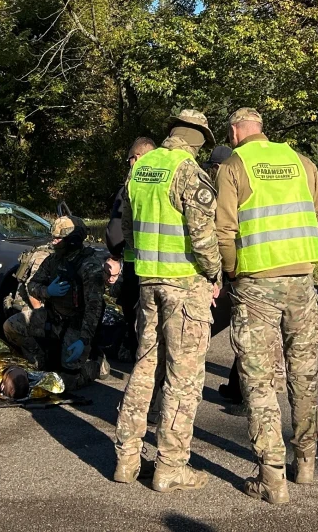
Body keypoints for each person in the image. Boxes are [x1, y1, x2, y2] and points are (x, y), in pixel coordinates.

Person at [215, 107, 318, 504]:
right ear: (262, 129)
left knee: (259, 381)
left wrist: (232, 271)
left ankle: (272, 478)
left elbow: (224, 231)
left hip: (255, 285)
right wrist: (306, 256)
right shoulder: (300, 162)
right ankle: (306, 463)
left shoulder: (233, 166)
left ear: (235, 132)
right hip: (301, 283)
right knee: (304, 375)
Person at [112, 109, 222, 492]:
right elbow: (203, 237)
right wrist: (214, 273)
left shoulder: (141, 169)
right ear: (198, 140)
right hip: (185, 287)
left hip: (148, 283)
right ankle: (171, 467)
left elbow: (127, 230)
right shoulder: (189, 172)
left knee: (144, 369)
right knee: (183, 378)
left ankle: (127, 459)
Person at [3, 216, 108, 389]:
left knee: (67, 381)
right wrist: (47, 291)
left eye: (58, 238)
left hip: (77, 324)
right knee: (11, 327)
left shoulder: (89, 266)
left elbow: (94, 308)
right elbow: (32, 285)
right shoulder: (53, 260)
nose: (53, 242)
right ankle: (40, 361)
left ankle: (97, 364)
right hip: (53, 317)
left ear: (73, 240)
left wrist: (84, 340)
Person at [105, 136, 156, 361]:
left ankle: (139, 359)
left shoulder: (132, 186)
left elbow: (116, 230)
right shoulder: (169, 182)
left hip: (136, 264)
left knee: (135, 315)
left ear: (136, 158)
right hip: (169, 267)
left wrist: (115, 254)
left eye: (130, 160)